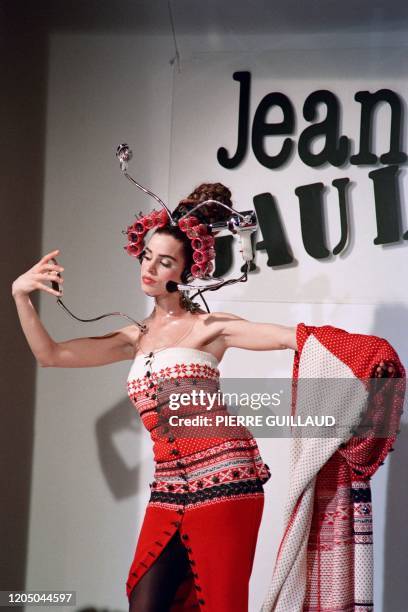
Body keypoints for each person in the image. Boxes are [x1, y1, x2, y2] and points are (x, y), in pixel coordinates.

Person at [12, 182, 298, 612]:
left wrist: (361, 356)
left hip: (227, 475)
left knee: (220, 603)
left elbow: (286, 338)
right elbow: (50, 355)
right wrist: (21, 294)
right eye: (147, 256)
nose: (148, 268)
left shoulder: (209, 326)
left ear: (186, 271)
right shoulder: (133, 337)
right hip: (169, 486)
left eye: (164, 262)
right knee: (145, 602)